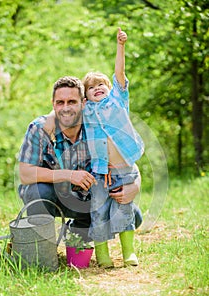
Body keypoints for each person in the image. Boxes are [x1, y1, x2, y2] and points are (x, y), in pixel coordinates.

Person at [18, 75, 142, 262]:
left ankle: (77, 229)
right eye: (60, 102)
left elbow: (125, 161)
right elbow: (25, 174)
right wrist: (68, 175)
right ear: (53, 104)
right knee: (37, 190)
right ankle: (42, 254)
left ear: (84, 103)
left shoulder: (96, 124)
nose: (66, 108)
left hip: (90, 199)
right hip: (55, 196)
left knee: (134, 216)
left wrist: (136, 186)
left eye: (72, 102)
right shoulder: (40, 128)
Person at [81, 28, 144, 267]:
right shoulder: (86, 110)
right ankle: (103, 255)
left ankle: (128, 252)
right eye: (92, 87)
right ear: (86, 96)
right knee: (98, 212)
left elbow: (119, 73)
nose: (98, 87)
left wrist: (121, 46)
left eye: (102, 84)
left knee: (123, 211)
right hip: (100, 171)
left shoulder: (117, 101)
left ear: (110, 88)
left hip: (124, 167)